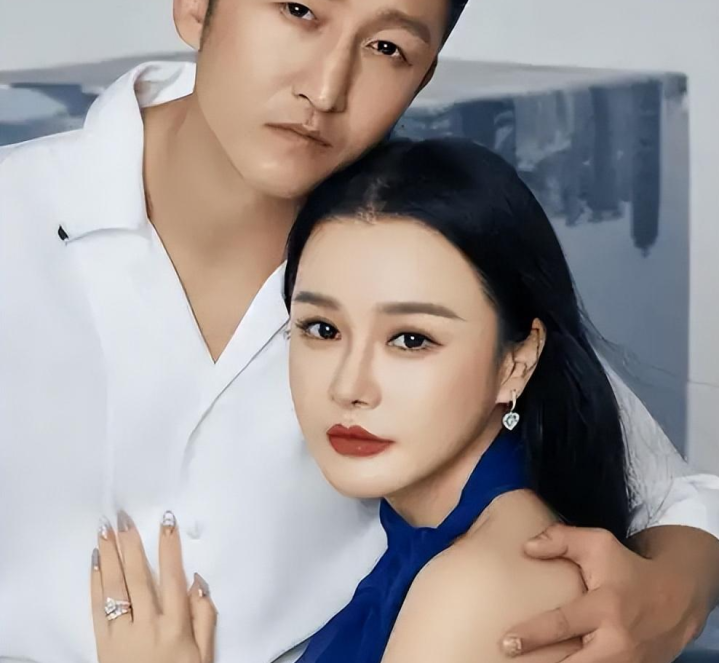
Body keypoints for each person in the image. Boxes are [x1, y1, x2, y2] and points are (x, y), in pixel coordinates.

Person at [0, 0, 717, 663]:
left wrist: (668, 597)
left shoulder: (412, 247)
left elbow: (665, 492)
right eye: (299, 11)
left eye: (386, 50)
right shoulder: (16, 219)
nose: (327, 86)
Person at [89, 138, 634, 663]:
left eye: (411, 340)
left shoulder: (476, 589)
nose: (349, 387)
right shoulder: (435, 541)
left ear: (516, 361)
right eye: (322, 329)